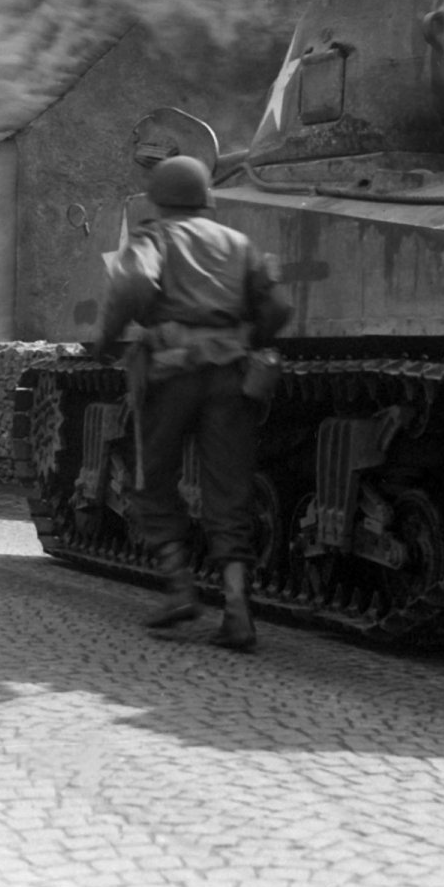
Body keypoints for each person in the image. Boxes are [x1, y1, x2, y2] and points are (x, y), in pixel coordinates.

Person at [96, 156, 291, 651]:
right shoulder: (239, 243)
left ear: (158, 199)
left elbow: (134, 283)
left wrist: (108, 336)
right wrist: (248, 339)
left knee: (151, 475)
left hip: (170, 373)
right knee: (229, 488)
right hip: (231, 375)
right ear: (207, 197)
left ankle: (180, 587)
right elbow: (278, 307)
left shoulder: (155, 236)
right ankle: (238, 610)